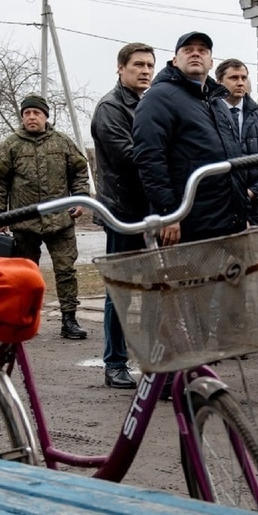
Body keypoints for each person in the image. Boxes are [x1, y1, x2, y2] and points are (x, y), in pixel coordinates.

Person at [0, 94, 92, 340]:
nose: (31, 117)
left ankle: (69, 320)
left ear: (46, 116)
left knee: (66, 270)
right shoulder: (11, 145)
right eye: (27, 113)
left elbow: (79, 170)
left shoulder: (62, 142)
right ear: (22, 117)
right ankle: (25, 320)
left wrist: (79, 198)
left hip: (60, 221)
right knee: (25, 274)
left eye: (36, 113)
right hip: (25, 222)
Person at [132, 31, 246, 246]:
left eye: (202, 51)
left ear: (211, 62)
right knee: (191, 279)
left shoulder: (216, 102)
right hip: (188, 222)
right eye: (188, 50)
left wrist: (240, 213)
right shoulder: (159, 97)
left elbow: (231, 157)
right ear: (175, 60)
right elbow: (150, 158)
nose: (195, 54)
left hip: (224, 219)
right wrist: (170, 214)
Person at [90, 43, 156, 389]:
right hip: (124, 212)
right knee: (122, 291)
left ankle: (152, 362)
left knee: (156, 290)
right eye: (138, 65)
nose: (145, 71)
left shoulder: (152, 104)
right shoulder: (110, 108)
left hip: (154, 211)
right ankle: (114, 362)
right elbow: (129, 158)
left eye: (149, 65)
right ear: (120, 68)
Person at [213, 58, 258, 227]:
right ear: (219, 82)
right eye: (234, 78)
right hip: (220, 205)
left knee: (253, 252)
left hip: (254, 204)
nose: (240, 83)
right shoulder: (208, 114)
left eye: (244, 78)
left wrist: (255, 191)